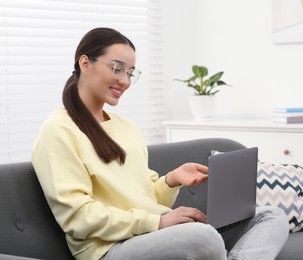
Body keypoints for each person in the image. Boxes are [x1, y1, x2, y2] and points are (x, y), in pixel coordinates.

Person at [32, 27, 289, 260]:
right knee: (203, 237)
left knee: (271, 216)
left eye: (131, 73)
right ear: (85, 63)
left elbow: (145, 195)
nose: (125, 81)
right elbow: (79, 218)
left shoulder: (126, 128)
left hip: (150, 234)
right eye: (117, 68)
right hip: (109, 248)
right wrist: (157, 222)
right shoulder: (58, 131)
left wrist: (171, 180)